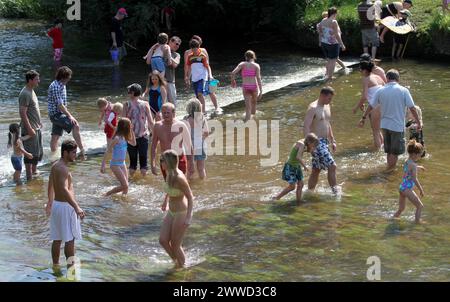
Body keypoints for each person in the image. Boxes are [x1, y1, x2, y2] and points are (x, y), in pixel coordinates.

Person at [359, 69, 421, 169]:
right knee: (395, 152)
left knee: (389, 151)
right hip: (397, 126)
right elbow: (412, 108)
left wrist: (363, 117)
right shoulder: (404, 90)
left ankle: (388, 168)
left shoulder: (380, 90)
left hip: (384, 125)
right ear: (398, 79)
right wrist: (418, 122)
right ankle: (389, 171)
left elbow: (371, 106)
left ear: (387, 78)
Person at [46, 140, 85, 269]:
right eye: (73, 152)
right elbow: (63, 189)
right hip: (65, 207)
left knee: (57, 239)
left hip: (57, 205)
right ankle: (71, 269)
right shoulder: (63, 168)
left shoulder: (55, 166)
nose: (75, 155)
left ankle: (55, 265)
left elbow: (50, 185)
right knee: (70, 239)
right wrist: (76, 207)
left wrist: (50, 202)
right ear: (65, 152)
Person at [159, 149, 194, 269]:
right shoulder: (169, 173)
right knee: (163, 240)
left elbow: (190, 196)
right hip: (171, 211)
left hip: (181, 212)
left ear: (168, 162)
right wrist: (165, 201)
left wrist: (189, 217)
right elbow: (170, 188)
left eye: (162, 160)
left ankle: (183, 267)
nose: (160, 163)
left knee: (175, 244)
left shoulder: (179, 177)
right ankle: (177, 261)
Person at [303, 87, 339, 194]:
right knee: (332, 166)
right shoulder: (313, 108)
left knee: (316, 170)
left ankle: (309, 192)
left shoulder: (327, 106)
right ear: (322, 95)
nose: (330, 101)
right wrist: (310, 146)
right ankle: (335, 192)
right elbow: (306, 127)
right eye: (329, 98)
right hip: (316, 142)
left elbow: (327, 124)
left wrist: (332, 140)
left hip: (325, 141)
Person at [47, 66, 86, 159]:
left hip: (59, 114)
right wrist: (70, 116)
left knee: (55, 137)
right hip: (56, 114)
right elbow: (59, 105)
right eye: (68, 76)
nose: (70, 78)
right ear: (63, 77)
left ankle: (53, 157)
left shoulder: (62, 84)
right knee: (75, 125)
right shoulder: (55, 86)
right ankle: (82, 150)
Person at [273, 133, 320, 205]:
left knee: (301, 184)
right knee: (292, 187)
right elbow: (298, 157)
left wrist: (312, 151)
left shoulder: (305, 142)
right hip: (290, 166)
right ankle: (276, 198)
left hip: (296, 166)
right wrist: (304, 166)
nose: (313, 147)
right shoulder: (301, 144)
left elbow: (308, 150)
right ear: (309, 142)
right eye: (313, 145)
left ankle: (298, 201)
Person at [151, 103, 193, 179]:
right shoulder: (157, 126)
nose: (166, 115)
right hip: (165, 160)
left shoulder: (181, 125)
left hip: (179, 159)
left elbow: (189, 145)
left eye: (168, 113)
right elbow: (153, 146)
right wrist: (152, 164)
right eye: (164, 113)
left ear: (173, 113)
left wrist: (191, 164)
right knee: (169, 185)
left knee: (181, 184)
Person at [123, 83, 154, 177]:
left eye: (129, 92)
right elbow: (150, 121)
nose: (128, 93)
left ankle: (130, 181)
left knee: (132, 163)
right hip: (143, 136)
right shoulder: (145, 104)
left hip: (130, 137)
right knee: (144, 163)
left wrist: (122, 136)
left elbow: (123, 121)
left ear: (132, 93)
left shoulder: (126, 104)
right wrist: (155, 133)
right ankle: (143, 183)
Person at [353, 60, 385, 150]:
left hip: (375, 107)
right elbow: (384, 89)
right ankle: (382, 148)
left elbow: (364, 96)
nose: (360, 72)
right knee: (378, 130)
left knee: (375, 131)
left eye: (360, 70)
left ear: (364, 70)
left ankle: (378, 153)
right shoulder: (378, 77)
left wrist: (356, 107)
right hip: (384, 105)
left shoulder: (366, 79)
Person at [101, 118, 136, 196]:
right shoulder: (117, 138)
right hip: (115, 164)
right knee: (125, 185)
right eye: (130, 126)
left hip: (122, 163)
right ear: (125, 127)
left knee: (126, 187)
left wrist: (132, 131)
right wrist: (103, 165)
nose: (131, 126)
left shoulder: (125, 137)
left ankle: (123, 201)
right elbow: (107, 151)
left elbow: (134, 144)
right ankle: (107, 194)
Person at [19, 70, 43, 180]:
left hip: (36, 127)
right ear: (30, 80)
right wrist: (29, 129)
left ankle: (34, 173)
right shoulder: (25, 93)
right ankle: (29, 178)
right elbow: (22, 113)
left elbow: (34, 109)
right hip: (30, 129)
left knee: (37, 153)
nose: (39, 81)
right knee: (30, 155)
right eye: (37, 79)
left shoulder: (31, 90)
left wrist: (39, 122)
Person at [184, 35, 219, 111]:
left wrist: (210, 75)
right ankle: (202, 110)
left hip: (205, 75)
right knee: (199, 95)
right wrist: (187, 77)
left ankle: (213, 108)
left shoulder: (203, 51)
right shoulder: (188, 54)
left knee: (210, 91)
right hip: (195, 77)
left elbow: (207, 64)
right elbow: (188, 66)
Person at [394, 139, 425, 224]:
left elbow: (409, 169)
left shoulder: (407, 161)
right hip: (407, 189)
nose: (420, 157)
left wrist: (419, 167)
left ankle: (394, 219)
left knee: (401, 209)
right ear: (415, 154)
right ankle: (417, 222)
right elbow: (415, 179)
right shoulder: (413, 165)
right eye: (419, 155)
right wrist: (421, 189)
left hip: (402, 188)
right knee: (420, 206)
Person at [231, 50, 263, 122]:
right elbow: (258, 78)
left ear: (246, 57)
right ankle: (253, 120)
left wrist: (233, 81)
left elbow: (233, 73)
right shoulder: (256, 65)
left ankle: (247, 121)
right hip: (254, 87)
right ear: (254, 57)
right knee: (254, 104)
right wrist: (261, 90)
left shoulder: (242, 64)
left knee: (248, 107)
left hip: (245, 87)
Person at [317, 7, 346, 80]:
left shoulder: (323, 20)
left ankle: (326, 74)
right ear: (334, 13)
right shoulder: (334, 22)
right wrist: (342, 44)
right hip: (333, 44)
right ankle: (330, 77)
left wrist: (320, 40)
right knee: (333, 60)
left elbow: (319, 30)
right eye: (336, 13)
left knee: (329, 60)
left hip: (324, 43)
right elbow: (336, 35)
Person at [183, 99, 209, 180]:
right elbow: (206, 132)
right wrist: (201, 140)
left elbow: (183, 133)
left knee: (190, 169)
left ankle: (190, 186)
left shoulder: (186, 119)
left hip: (189, 146)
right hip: (200, 146)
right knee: (201, 169)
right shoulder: (202, 118)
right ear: (199, 108)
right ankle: (203, 184)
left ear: (188, 108)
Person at [165, 36, 181, 106]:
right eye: (176, 44)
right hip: (158, 81)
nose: (177, 46)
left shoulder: (177, 54)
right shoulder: (161, 50)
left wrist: (168, 54)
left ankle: (173, 117)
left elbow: (175, 64)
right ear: (170, 42)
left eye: (178, 45)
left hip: (170, 81)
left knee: (172, 104)